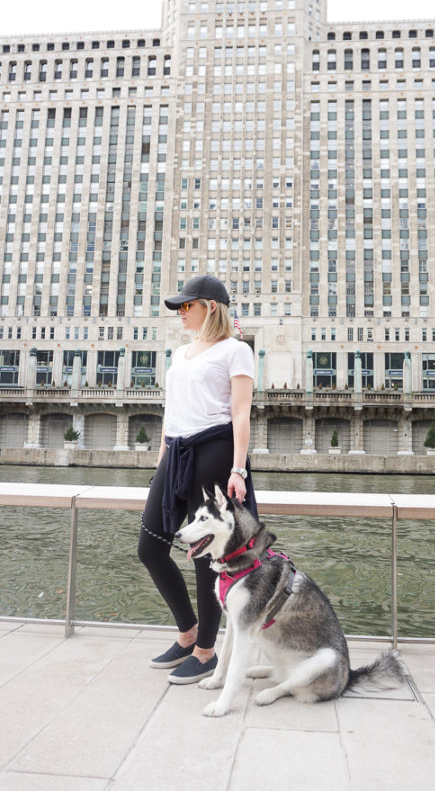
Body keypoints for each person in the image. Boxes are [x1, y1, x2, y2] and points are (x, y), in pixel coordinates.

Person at [137, 274, 257, 684]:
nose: (181, 313)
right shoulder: (180, 354)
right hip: (176, 454)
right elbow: (172, 414)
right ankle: (187, 632)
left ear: (211, 307)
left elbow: (241, 412)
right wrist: (160, 469)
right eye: (179, 307)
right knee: (150, 547)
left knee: (207, 558)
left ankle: (206, 651)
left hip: (215, 454)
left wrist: (237, 470)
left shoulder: (236, 351)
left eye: (187, 305)